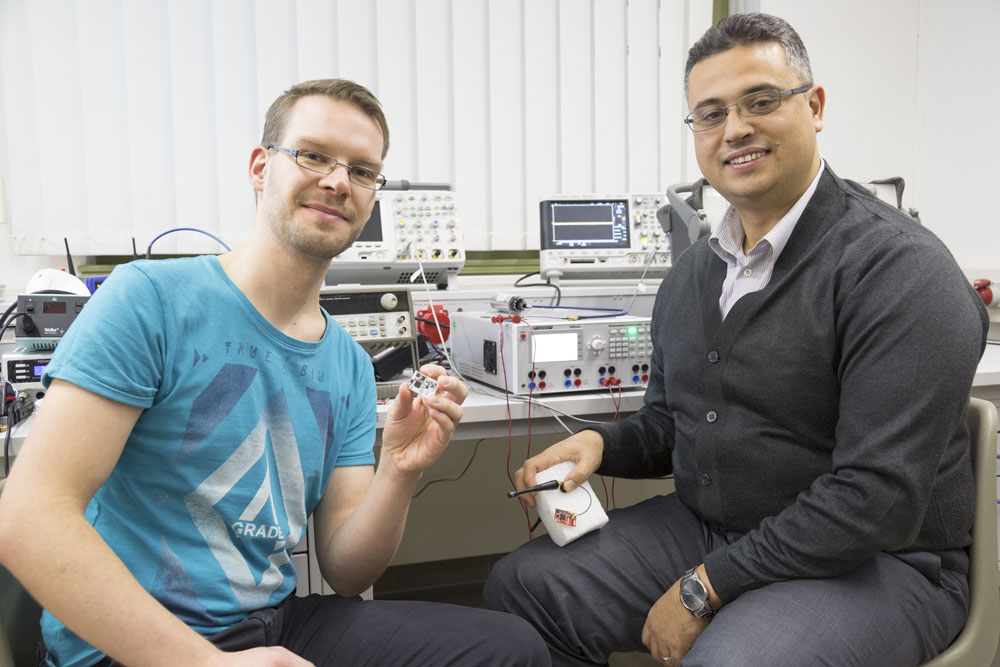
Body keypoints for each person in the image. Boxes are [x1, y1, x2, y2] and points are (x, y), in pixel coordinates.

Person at [484, 13, 989, 667]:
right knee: (526, 588)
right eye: (712, 113)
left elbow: (876, 500)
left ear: (815, 106)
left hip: (879, 561)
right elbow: (674, 423)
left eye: (761, 101)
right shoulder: (694, 272)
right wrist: (601, 445)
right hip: (715, 530)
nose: (736, 129)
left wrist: (705, 587)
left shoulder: (898, 270)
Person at [0, 79, 548, 667]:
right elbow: (28, 518)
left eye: (362, 171)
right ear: (261, 168)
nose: (338, 181)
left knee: (512, 650)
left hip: (273, 623)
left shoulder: (348, 364)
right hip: (130, 644)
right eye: (313, 155)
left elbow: (346, 571)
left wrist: (399, 471)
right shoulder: (150, 300)